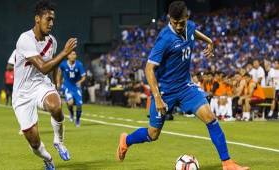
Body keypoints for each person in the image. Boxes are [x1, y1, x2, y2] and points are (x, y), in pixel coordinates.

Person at [116, 1, 249, 170]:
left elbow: (194, 31)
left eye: (181, 22)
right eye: (174, 22)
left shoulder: (189, 26)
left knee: (210, 117)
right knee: (153, 134)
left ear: (187, 17)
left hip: (186, 87)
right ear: (169, 19)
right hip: (165, 92)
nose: (178, 26)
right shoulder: (165, 38)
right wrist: (157, 98)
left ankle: (227, 163)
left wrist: (210, 41)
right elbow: (149, 68)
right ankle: (126, 140)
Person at [12, 0, 77, 169]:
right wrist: (65, 52)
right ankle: (48, 159)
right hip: (22, 94)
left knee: (56, 106)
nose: (51, 23)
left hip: (41, 85)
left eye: (53, 19)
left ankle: (59, 142)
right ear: (37, 19)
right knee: (34, 142)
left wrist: (55, 86)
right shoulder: (25, 39)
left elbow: (53, 64)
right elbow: (42, 66)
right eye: (48, 19)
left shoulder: (52, 42)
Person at [56, 51, 86, 127]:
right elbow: (59, 72)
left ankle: (78, 120)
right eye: (72, 54)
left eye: (75, 54)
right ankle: (71, 113)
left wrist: (80, 82)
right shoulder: (63, 64)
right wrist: (58, 82)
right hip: (67, 86)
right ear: (68, 56)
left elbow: (84, 76)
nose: (74, 56)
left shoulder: (79, 64)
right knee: (70, 102)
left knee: (79, 105)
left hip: (76, 87)